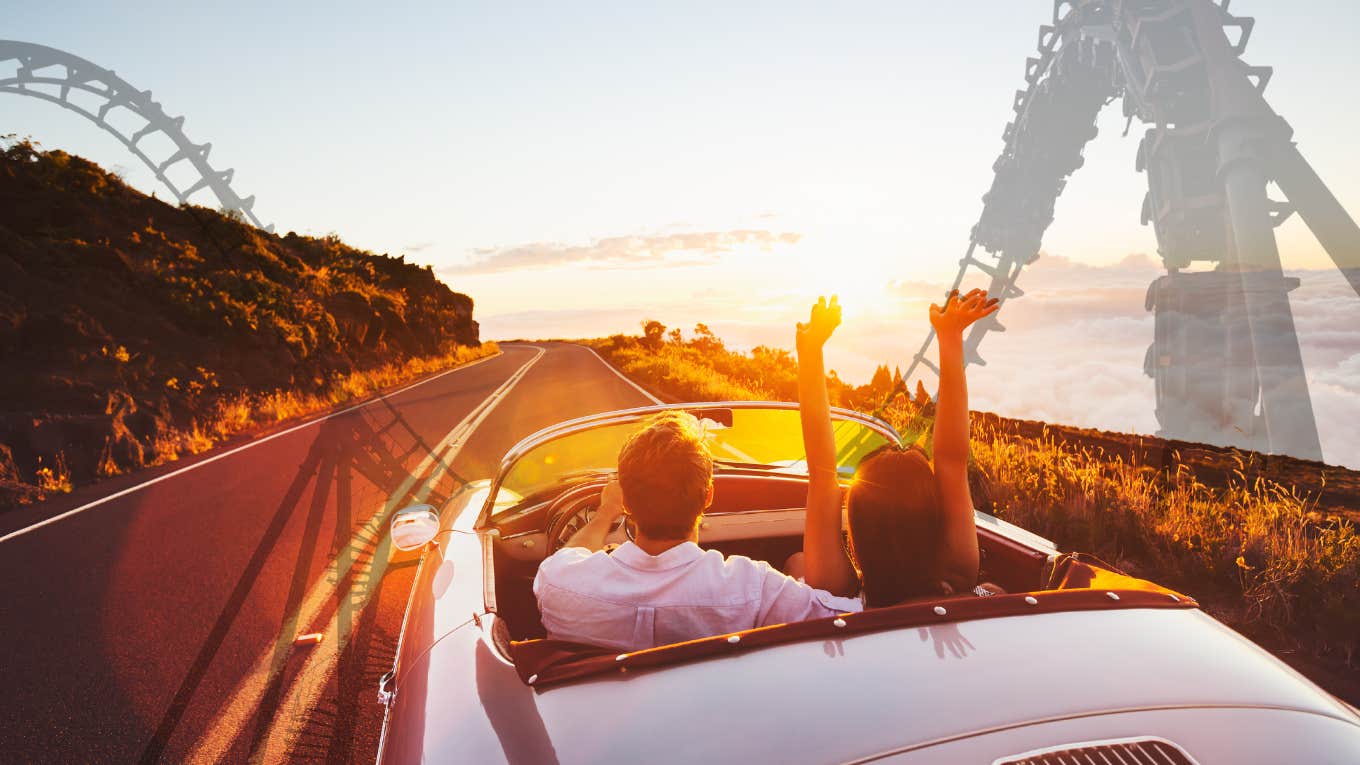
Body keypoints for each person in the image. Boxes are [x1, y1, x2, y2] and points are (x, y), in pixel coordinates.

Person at [533, 411, 862, 652]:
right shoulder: (753, 589)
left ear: (627, 502)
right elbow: (850, 616)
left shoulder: (558, 583)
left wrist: (605, 512)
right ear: (708, 496)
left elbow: (570, 555)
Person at [796, 290, 1002, 607]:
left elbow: (822, 474)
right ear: (936, 520)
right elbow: (950, 460)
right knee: (992, 589)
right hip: (966, 593)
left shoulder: (838, 594)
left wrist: (809, 352)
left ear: (856, 529)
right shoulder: (959, 573)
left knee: (796, 563)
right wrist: (950, 338)